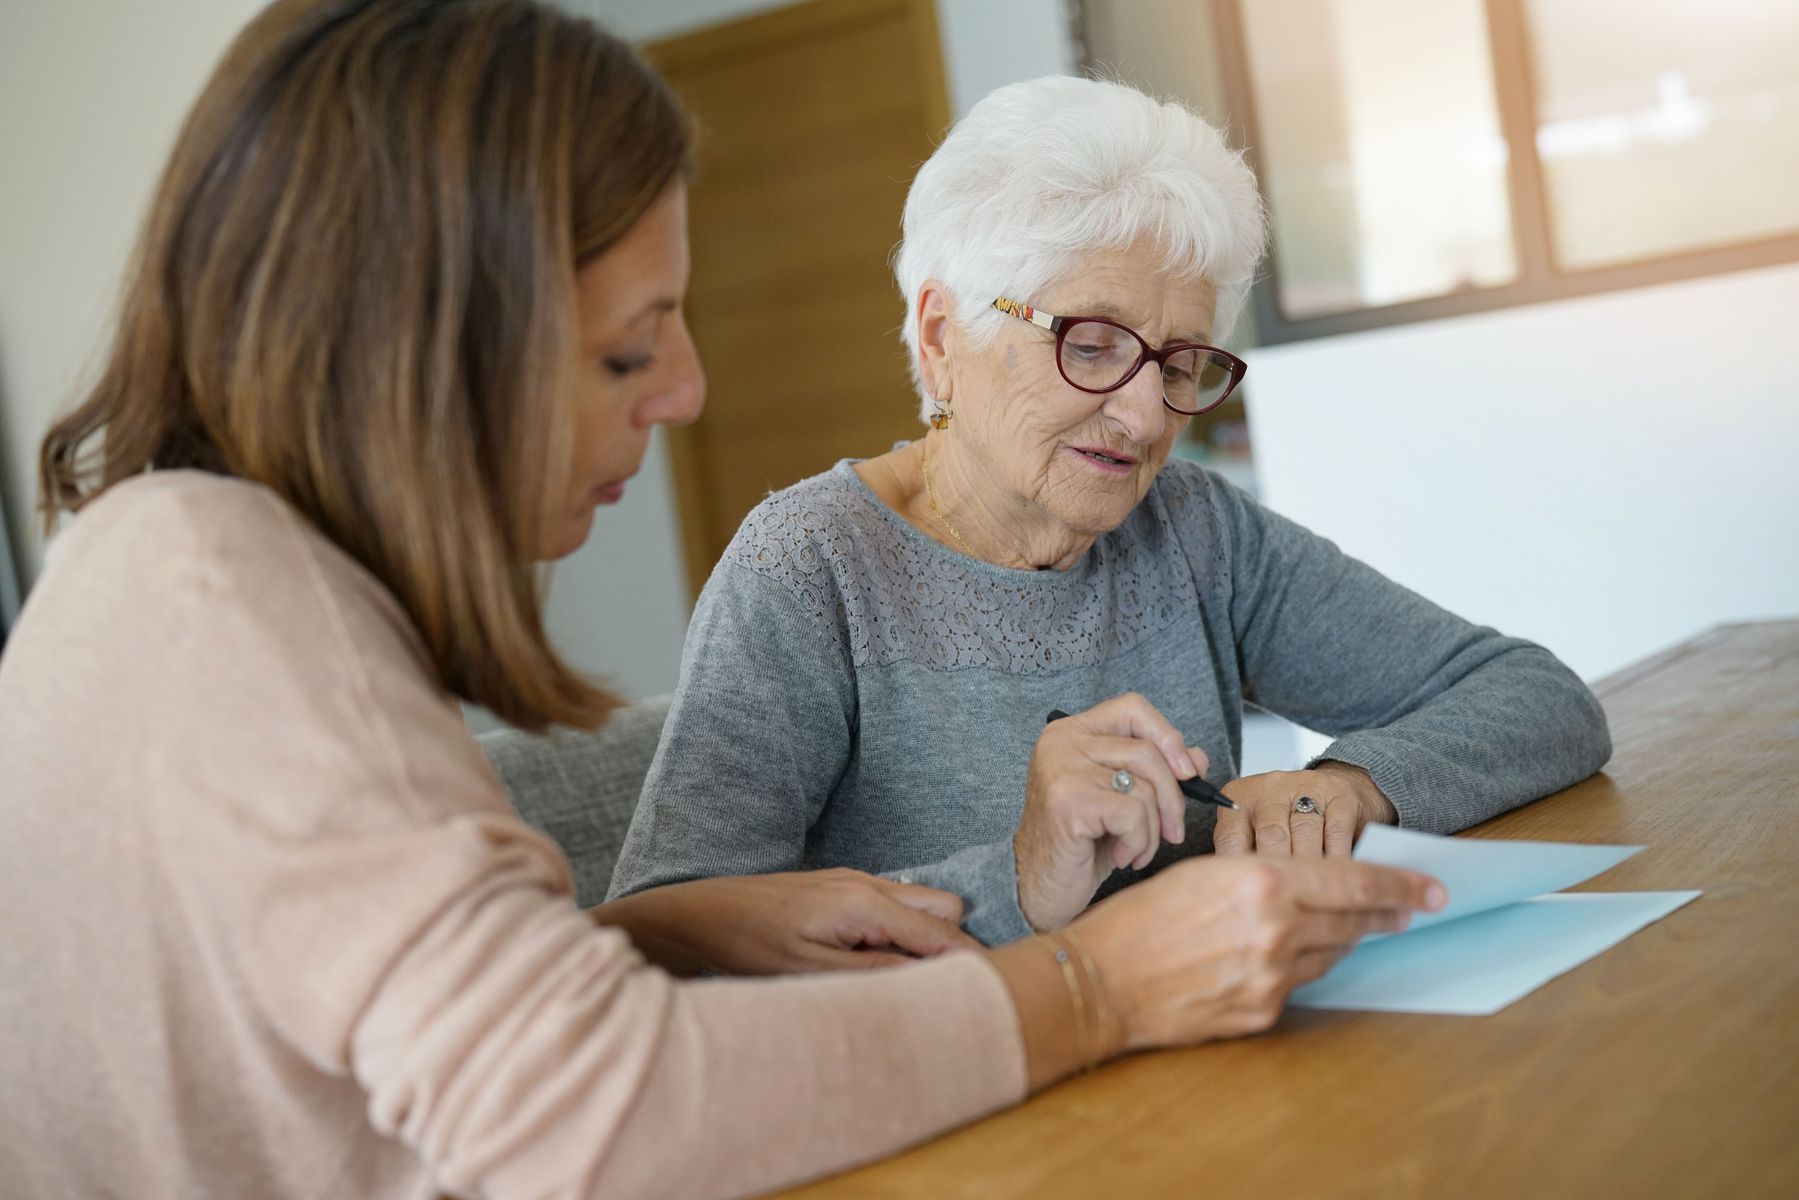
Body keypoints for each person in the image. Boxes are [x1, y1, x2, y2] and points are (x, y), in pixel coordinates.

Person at [0, 5, 1446, 1198]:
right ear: (423, 351)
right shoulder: (239, 617)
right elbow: (588, 1116)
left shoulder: (188, 574)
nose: (685, 394)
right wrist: (1094, 989)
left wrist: (658, 936)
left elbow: (340, 1042)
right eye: (628, 357)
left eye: (1176, 363)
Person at [608, 74, 1611, 946]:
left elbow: (1534, 697)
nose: (1141, 414)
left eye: (1178, 360)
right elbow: (671, 931)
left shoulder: (1188, 527)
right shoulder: (811, 565)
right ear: (942, 332)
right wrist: (1021, 878)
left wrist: (1350, 783)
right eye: (1090, 343)